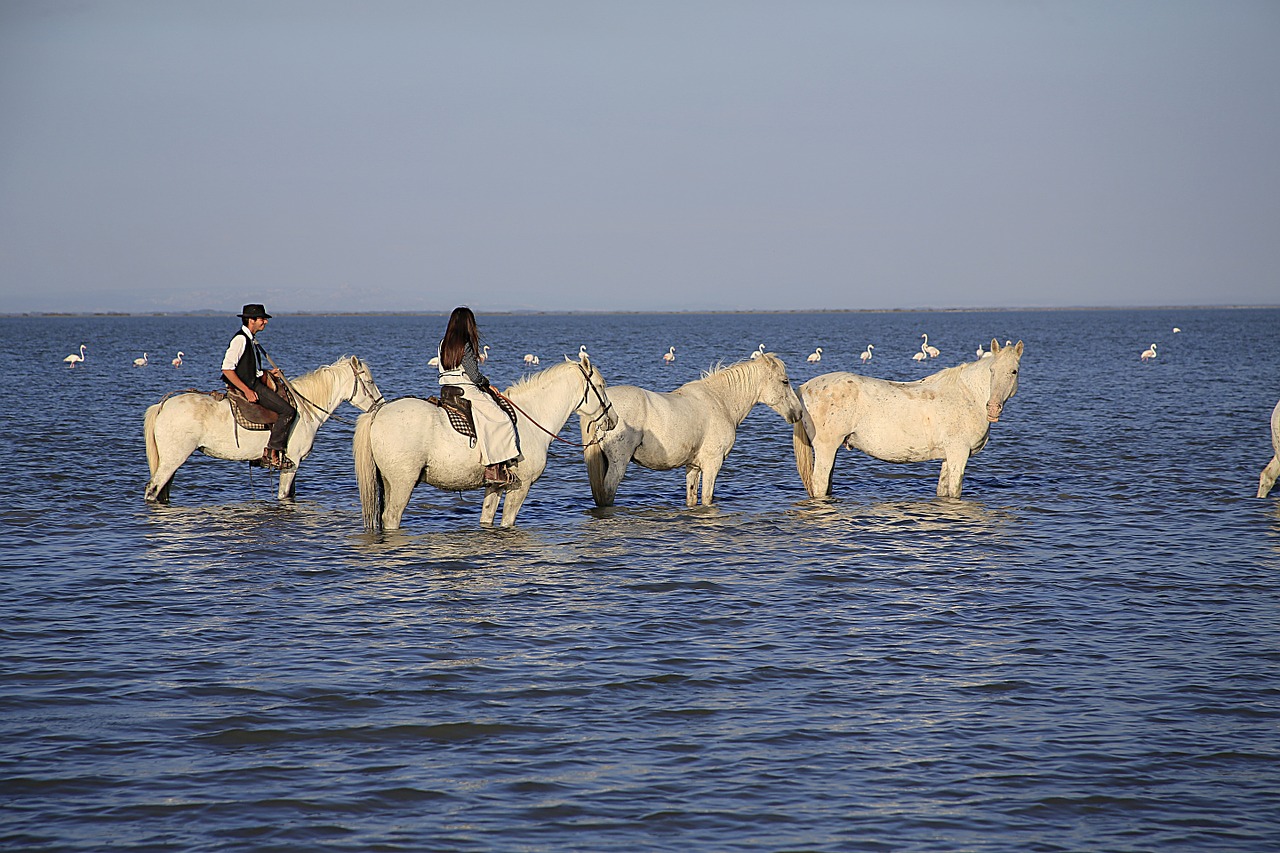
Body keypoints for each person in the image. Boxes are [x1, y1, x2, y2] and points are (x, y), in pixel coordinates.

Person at [437, 306, 520, 485]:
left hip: (446, 390)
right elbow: (474, 376)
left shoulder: (443, 343)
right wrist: (487, 384)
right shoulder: (464, 345)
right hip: (466, 389)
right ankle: (493, 469)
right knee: (501, 419)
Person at [221, 303, 297, 470]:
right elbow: (227, 369)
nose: (265, 322)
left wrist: (267, 373)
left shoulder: (250, 339)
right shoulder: (240, 340)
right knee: (288, 411)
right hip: (251, 387)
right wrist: (247, 390)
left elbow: (248, 370)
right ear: (251, 320)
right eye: (262, 319)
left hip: (254, 382)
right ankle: (271, 452)